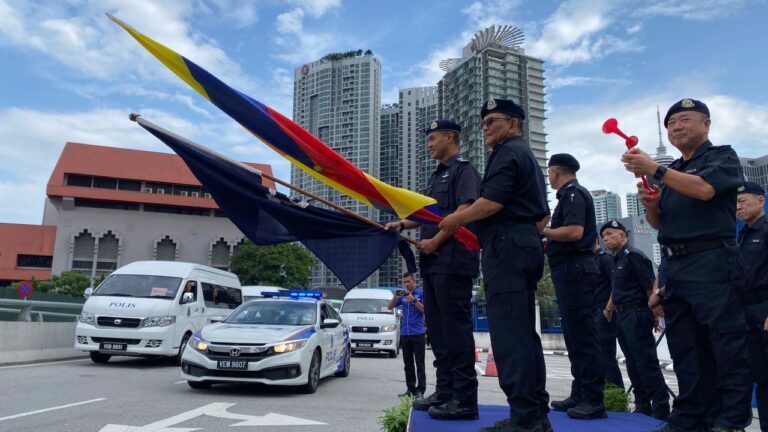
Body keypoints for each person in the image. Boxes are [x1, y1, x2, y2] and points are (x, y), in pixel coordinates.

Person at [623, 98, 752, 431]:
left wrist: (655, 168)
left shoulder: (722, 156)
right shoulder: (673, 172)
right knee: (684, 346)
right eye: (671, 124)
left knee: (725, 344)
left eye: (683, 120)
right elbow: (659, 225)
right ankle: (689, 415)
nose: (676, 127)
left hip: (713, 260)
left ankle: (729, 419)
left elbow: (706, 190)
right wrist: (652, 204)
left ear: (706, 124)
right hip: (675, 265)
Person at [439, 99, 551, 432]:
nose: (486, 127)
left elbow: (491, 203)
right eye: (484, 122)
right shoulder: (524, 155)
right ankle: (534, 413)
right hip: (522, 244)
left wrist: (455, 220)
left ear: (514, 124)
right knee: (523, 335)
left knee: (509, 337)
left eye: (493, 121)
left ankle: (526, 419)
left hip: (508, 247)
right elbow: (542, 214)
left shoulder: (508, 153)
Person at [386, 119, 481, 420]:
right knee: (438, 331)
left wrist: (436, 239)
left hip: (453, 260)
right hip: (433, 263)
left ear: (451, 138)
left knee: (456, 330)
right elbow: (427, 215)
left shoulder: (464, 171)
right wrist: (401, 223)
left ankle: (464, 399)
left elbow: (465, 210)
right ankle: (445, 390)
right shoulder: (435, 176)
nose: (429, 144)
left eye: (433, 138)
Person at [540, 153, 607, 420]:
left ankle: (593, 399)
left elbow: (574, 232)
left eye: (549, 172)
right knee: (573, 336)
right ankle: (580, 392)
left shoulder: (573, 194)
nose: (549, 177)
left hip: (576, 270)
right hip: (569, 271)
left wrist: (542, 231)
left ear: (555, 171)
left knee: (583, 336)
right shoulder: (568, 195)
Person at [600, 220, 670, 420]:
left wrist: (654, 311)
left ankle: (660, 407)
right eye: (604, 235)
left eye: (611, 234)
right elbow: (617, 290)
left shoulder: (634, 256)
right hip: (622, 315)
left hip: (637, 313)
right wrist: (609, 309)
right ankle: (642, 404)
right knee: (632, 362)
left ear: (623, 235)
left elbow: (650, 286)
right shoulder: (616, 260)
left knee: (645, 362)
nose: (606, 238)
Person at [736, 181, 768, 431]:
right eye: (736, 203)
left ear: (760, 200)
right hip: (746, 313)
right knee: (760, 376)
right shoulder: (743, 235)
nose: (739, 206)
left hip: (765, 309)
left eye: (743, 201)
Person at [387, 272, 427, 399]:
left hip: (418, 333)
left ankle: (420, 390)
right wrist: (395, 296)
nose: (406, 284)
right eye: (404, 282)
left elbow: (426, 310)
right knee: (408, 363)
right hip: (405, 333)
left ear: (413, 281)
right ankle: (410, 389)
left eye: (408, 281)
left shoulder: (420, 294)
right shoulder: (403, 295)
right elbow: (389, 307)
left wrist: (414, 301)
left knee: (419, 363)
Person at [592, 239, 624, 390]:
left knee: (606, 358)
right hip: (592, 313)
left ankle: (615, 395)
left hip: (604, 313)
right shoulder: (590, 260)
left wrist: (608, 309)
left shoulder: (605, 259)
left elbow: (617, 284)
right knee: (595, 358)